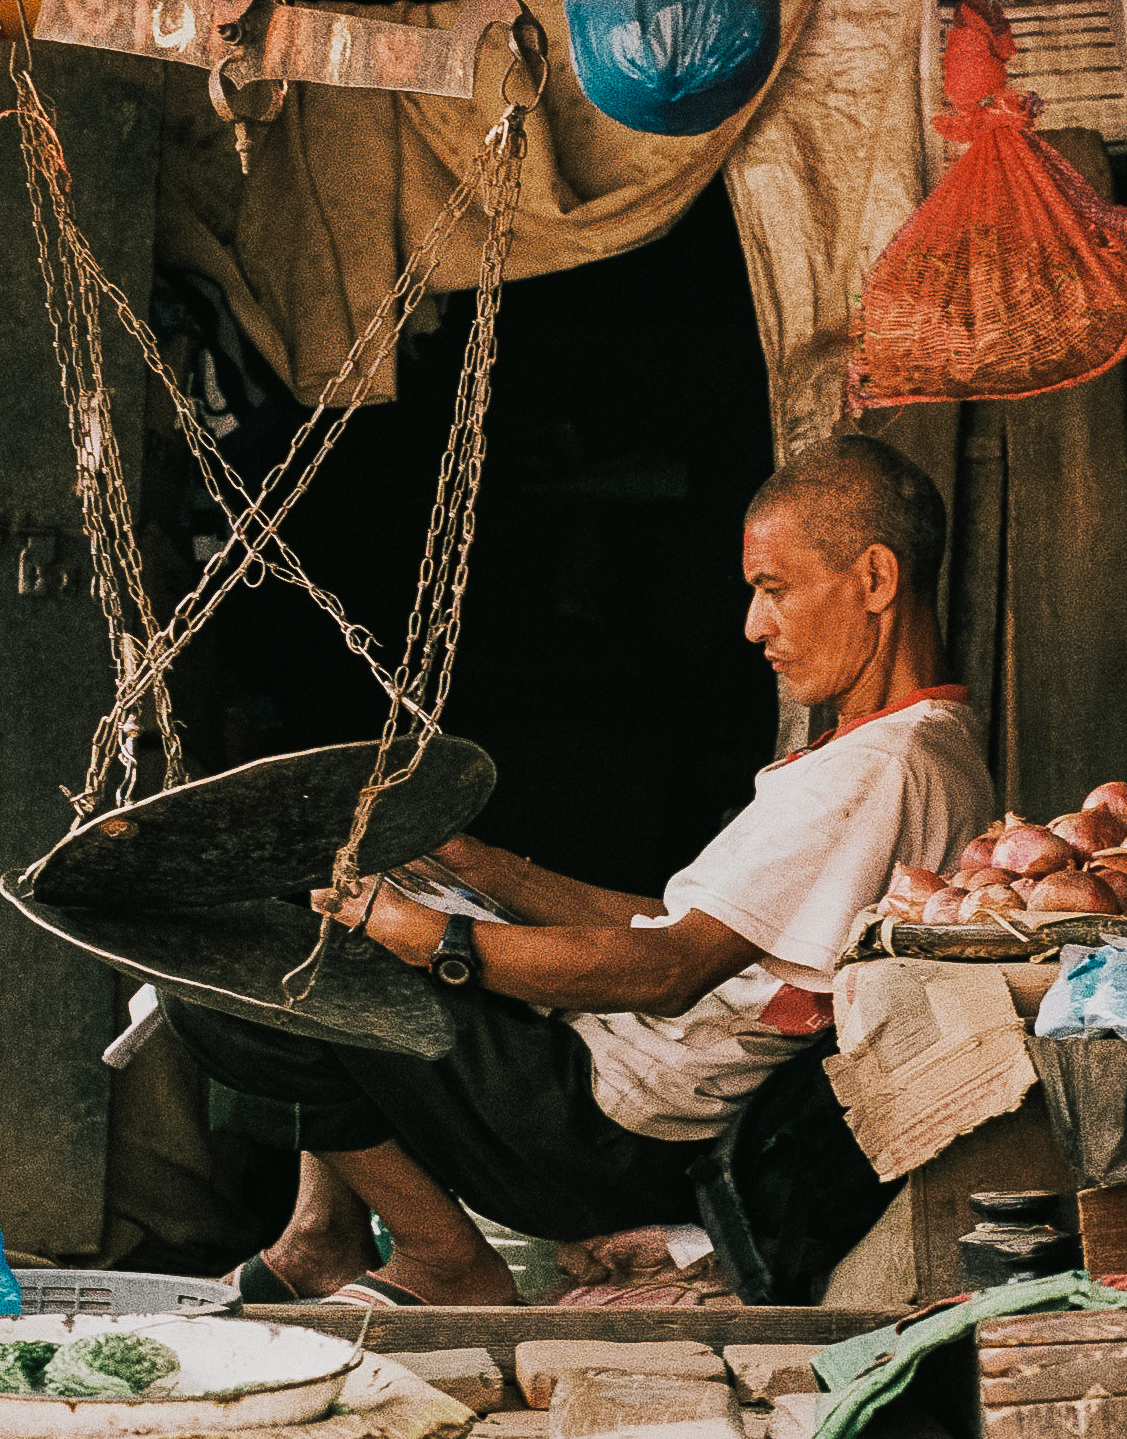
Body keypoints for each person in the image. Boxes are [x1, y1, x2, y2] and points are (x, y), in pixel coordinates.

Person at [162, 432, 992, 1306]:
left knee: (226, 981)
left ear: (873, 579)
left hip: (605, 1127)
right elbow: (671, 926)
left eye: (773, 590)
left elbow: (668, 972)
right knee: (340, 926)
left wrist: (437, 941)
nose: (754, 626)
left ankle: (447, 1262)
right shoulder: (911, 752)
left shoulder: (881, 771)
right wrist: (473, 866)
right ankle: (323, 1236)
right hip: (616, 1092)